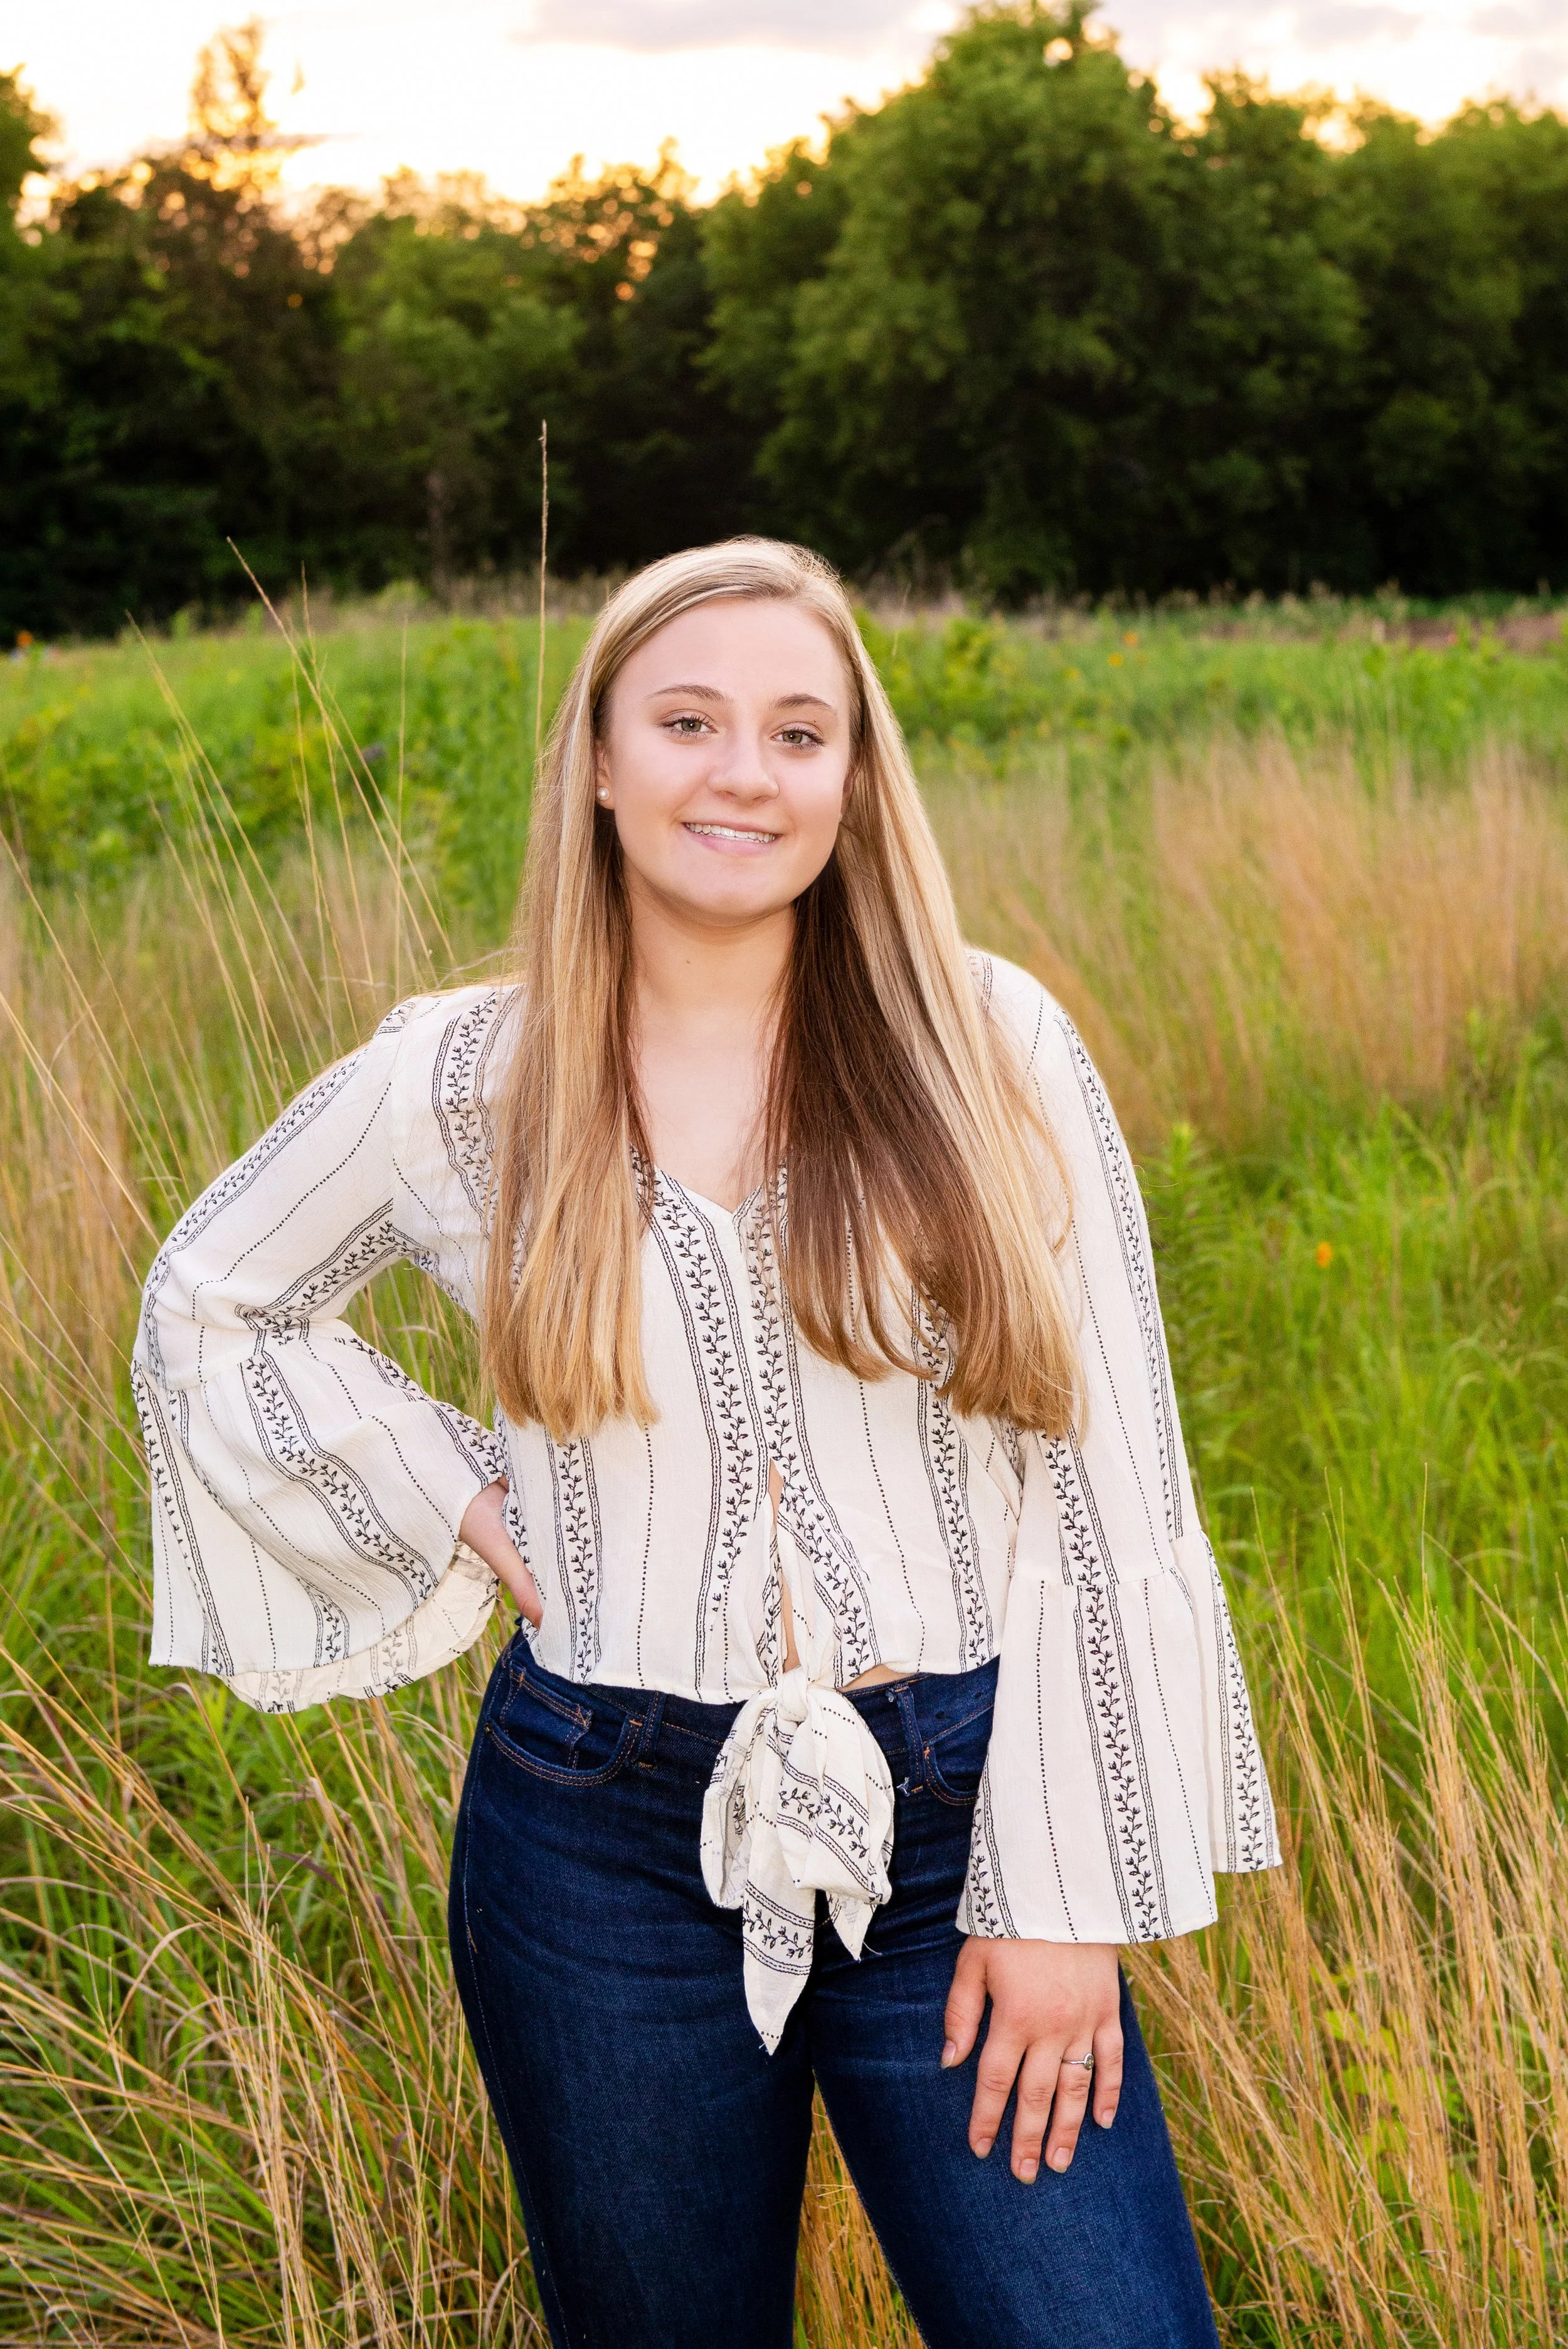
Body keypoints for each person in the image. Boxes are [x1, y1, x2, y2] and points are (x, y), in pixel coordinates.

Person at [134, 538, 1278, 2349]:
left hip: (962, 1824)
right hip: (594, 1844)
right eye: (687, 720)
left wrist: (1065, 1900)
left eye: (797, 732)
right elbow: (213, 1297)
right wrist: (464, 1504)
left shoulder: (985, 1043)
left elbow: (1109, 1478)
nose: (742, 772)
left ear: (850, 779)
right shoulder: (466, 1079)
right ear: (597, 759)